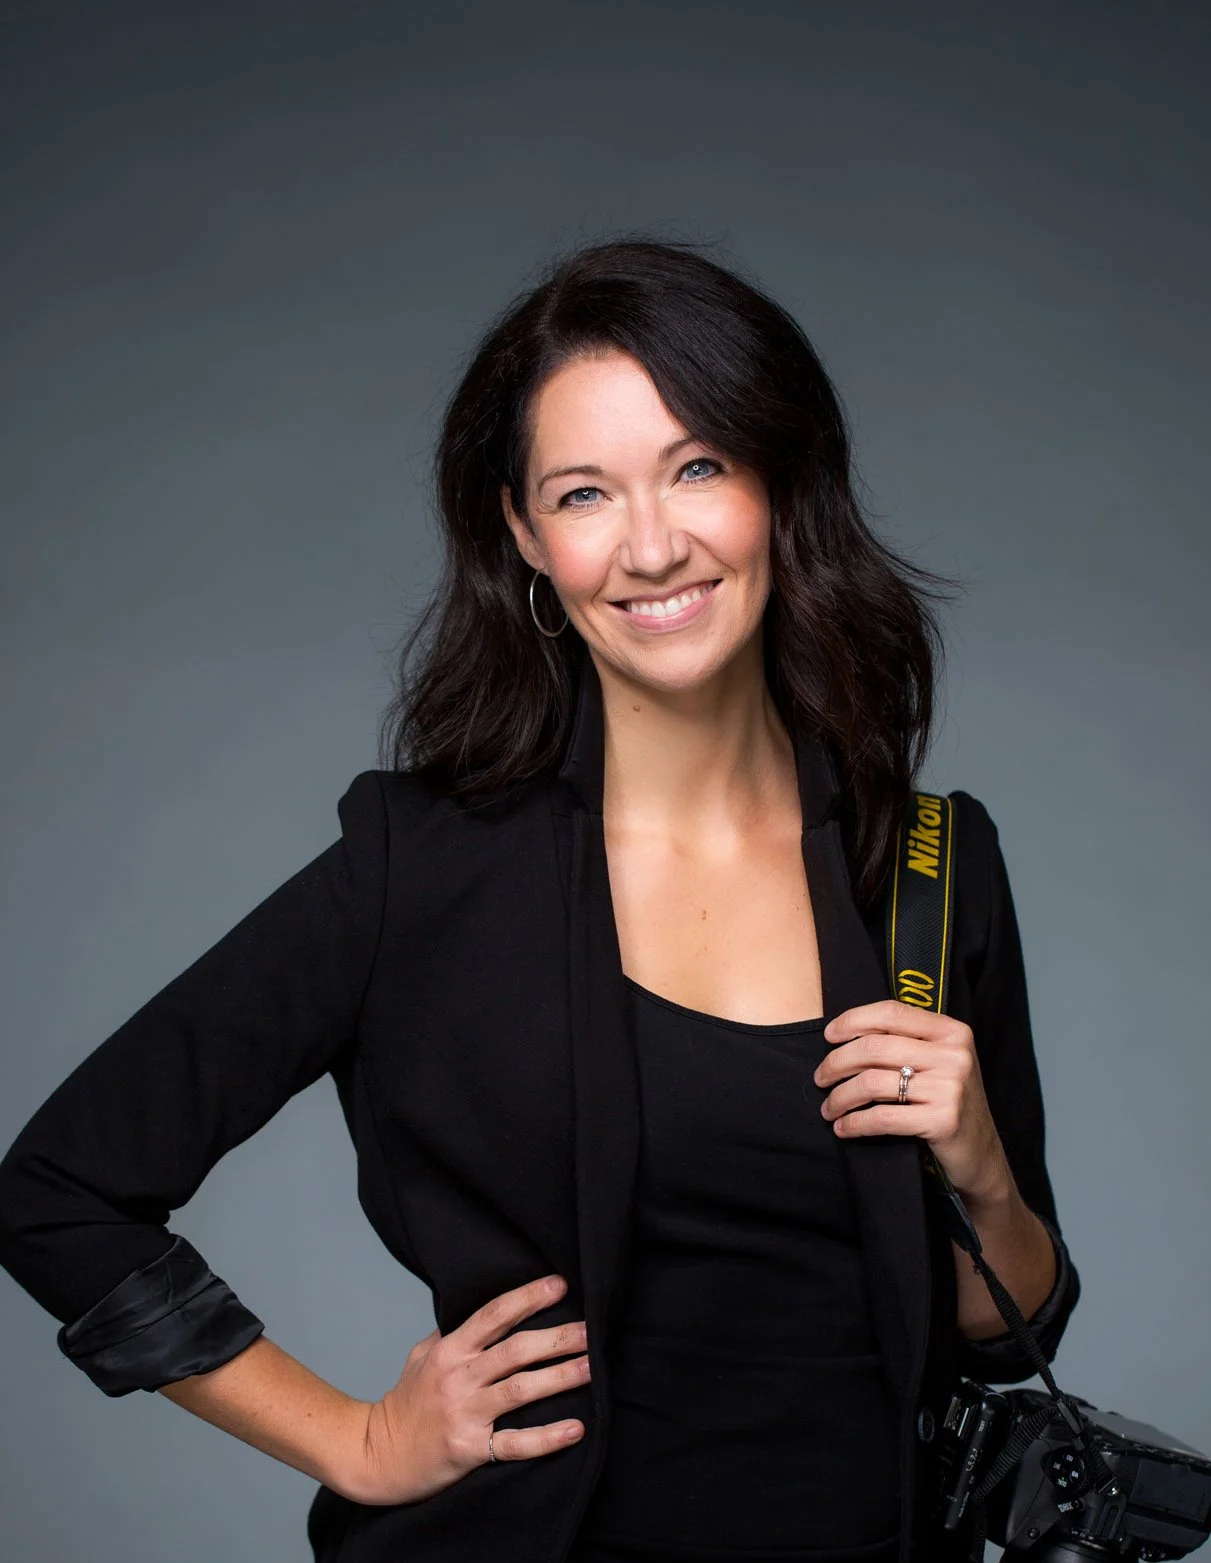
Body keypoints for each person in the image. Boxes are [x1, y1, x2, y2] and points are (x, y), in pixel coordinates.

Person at [0, 237, 1080, 1563]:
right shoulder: (422, 866)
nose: (649, 543)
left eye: (696, 466)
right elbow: (60, 1192)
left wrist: (978, 1170)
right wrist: (354, 1437)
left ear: (779, 484)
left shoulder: (926, 865)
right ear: (523, 532)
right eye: (583, 493)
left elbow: (1015, 1318)